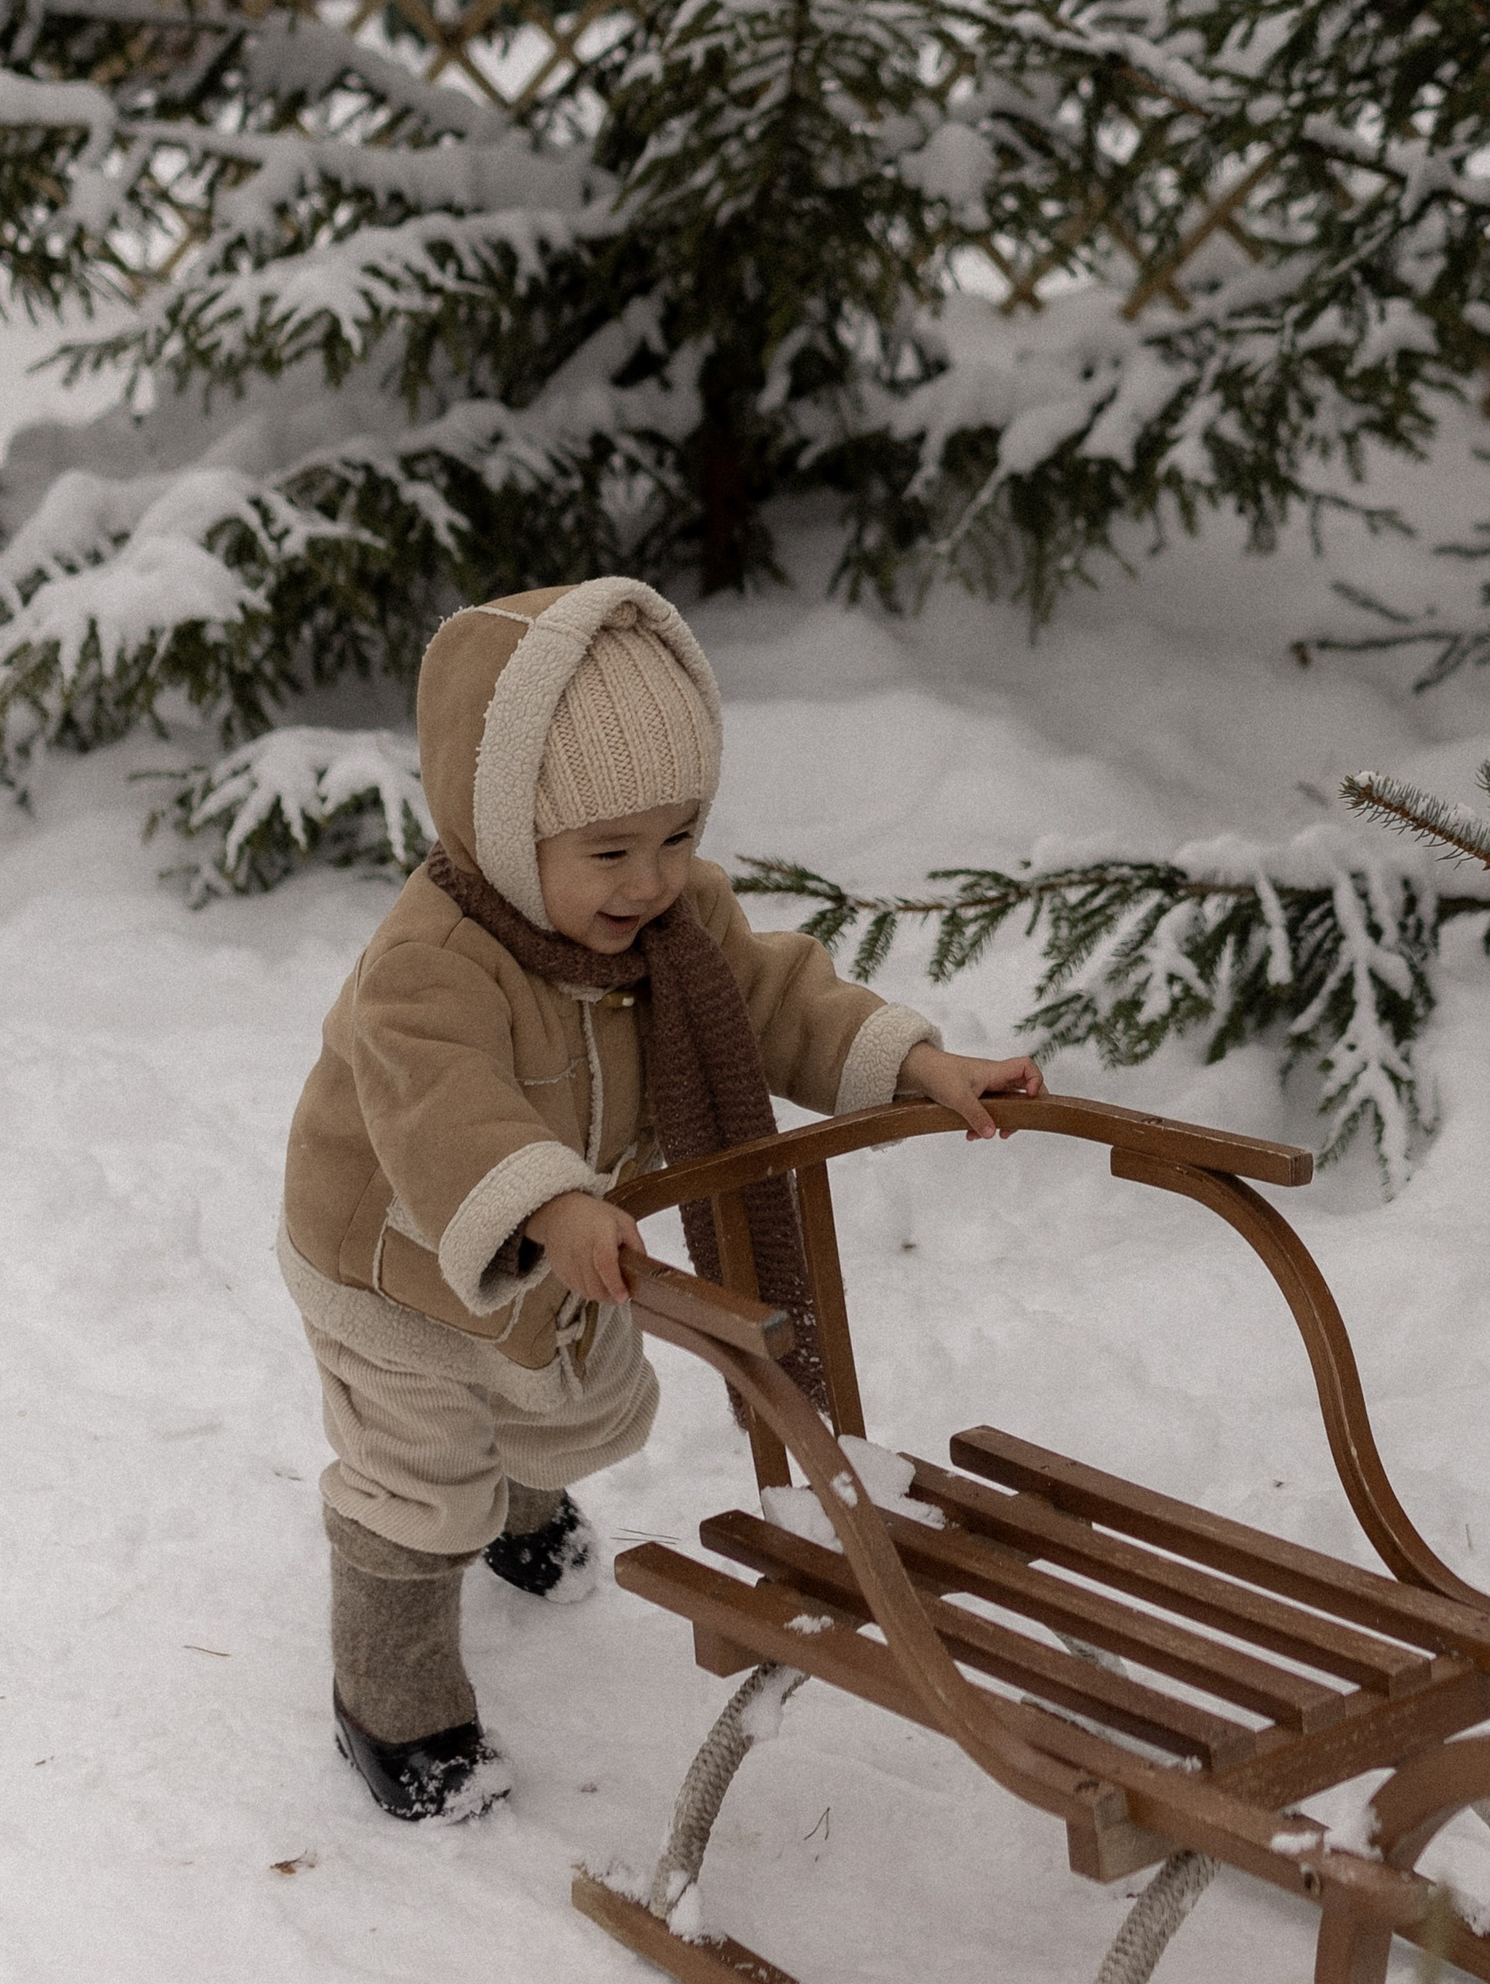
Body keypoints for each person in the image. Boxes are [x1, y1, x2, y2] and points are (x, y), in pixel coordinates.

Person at [279, 576, 1042, 1820]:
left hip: (558, 1237)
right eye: (610, 851)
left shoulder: (679, 923)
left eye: (677, 835)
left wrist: (914, 1061)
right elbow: (444, 1105)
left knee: (556, 1398)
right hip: (394, 1260)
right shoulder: (431, 962)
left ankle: (520, 1507)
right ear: (495, 824)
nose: (651, 881)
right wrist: (547, 1202)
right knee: (419, 1475)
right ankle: (392, 1698)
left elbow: (781, 1001)